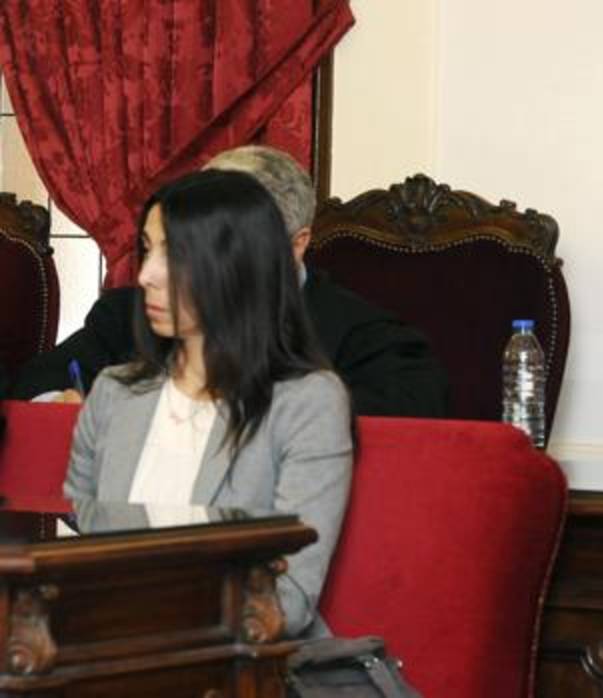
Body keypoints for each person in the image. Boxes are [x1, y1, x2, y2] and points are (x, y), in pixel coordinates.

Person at [64, 170, 351, 638]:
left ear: (239, 266)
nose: (145, 276)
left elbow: (289, 600)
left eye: (173, 254)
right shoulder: (115, 392)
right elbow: (80, 536)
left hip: (241, 665)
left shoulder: (307, 401)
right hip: (105, 652)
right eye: (147, 248)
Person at [11, 145, 449, 418]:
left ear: (295, 245)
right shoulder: (129, 313)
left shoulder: (368, 339)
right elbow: (30, 388)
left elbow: (396, 428)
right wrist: (61, 408)